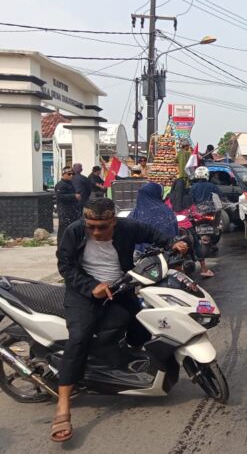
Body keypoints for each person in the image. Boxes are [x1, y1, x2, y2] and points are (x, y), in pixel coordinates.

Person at [52, 198, 188, 442]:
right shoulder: (74, 231)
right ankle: (63, 406)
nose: (95, 232)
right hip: (83, 293)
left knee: (143, 329)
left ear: (113, 221)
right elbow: (65, 266)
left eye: (102, 227)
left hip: (119, 289)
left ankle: (125, 370)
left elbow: (153, 234)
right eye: (91, 226)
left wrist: (173, 243)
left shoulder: (128, 227)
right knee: (79, 337)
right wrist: (91, 286)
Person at [128, 182, 178, 253]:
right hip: (163, 255)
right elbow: (174, 232)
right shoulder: (166, 212)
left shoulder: (134, 213)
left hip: (137, 255)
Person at [55, 166, 82, 246]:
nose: (71, 175)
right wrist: (74, 196)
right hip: (64, 211)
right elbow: (60, 196)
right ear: (64, 174)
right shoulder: (60, 185)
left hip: (72, 210)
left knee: (72, 229)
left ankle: (70, 245)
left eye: (73, 174)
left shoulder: (71, 183)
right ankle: (61, 246)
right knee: (64, 230)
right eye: (69, 174)